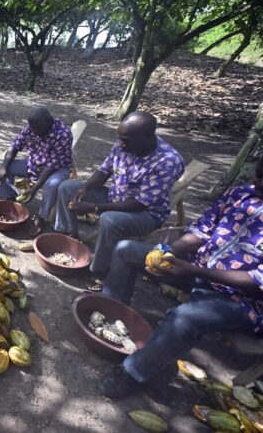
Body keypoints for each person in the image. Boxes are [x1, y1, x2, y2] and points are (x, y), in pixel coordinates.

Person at [99, 158, 263, 398]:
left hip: (241, 299)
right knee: (126, 250)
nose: (255, 181)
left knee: (185, 318)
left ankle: (132, 373)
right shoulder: (241, 194)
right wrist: (169, 253)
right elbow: (201, 230)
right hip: (197, 267)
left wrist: (194, 271)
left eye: (262, 179)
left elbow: (256, 279)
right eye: (257, 175)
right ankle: (112, 318)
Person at [54, 111, 184, 291]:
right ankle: (70, 236)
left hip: (145, 214)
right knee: (67, 187)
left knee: (109, 219)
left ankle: (100, 270)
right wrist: (83, 189)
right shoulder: (124, 143)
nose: (121, 144)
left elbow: (139, 203)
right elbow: (104, 172)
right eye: (120, 138)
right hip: (115, 197)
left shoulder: (168, 161)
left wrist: (96, 207)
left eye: (126, 140)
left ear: (147, 137)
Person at [0, 105, 73, 236]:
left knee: (52, 184)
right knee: (8, 167)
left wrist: (34, 189)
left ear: (49, 120)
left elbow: (51, 166)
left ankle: (41, 217)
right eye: (32, 128)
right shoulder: (31, 128)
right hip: (34, 165)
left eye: (37, 128)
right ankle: (9, 201)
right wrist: (3, 167)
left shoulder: (63, 134)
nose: (35, 132)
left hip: (56, 169)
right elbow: (14, 147)